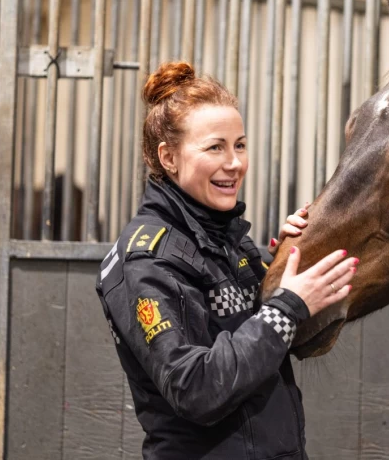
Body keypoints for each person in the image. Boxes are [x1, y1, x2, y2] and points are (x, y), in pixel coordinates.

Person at [95, 61, 356, 459]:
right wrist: (286, 306)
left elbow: (273, 339)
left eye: (240, 145)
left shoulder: (229, 239)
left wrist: (286, 262)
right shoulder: (147, 258)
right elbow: (195, 388)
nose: (234, 163)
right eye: (215, 147)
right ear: (169, 157)